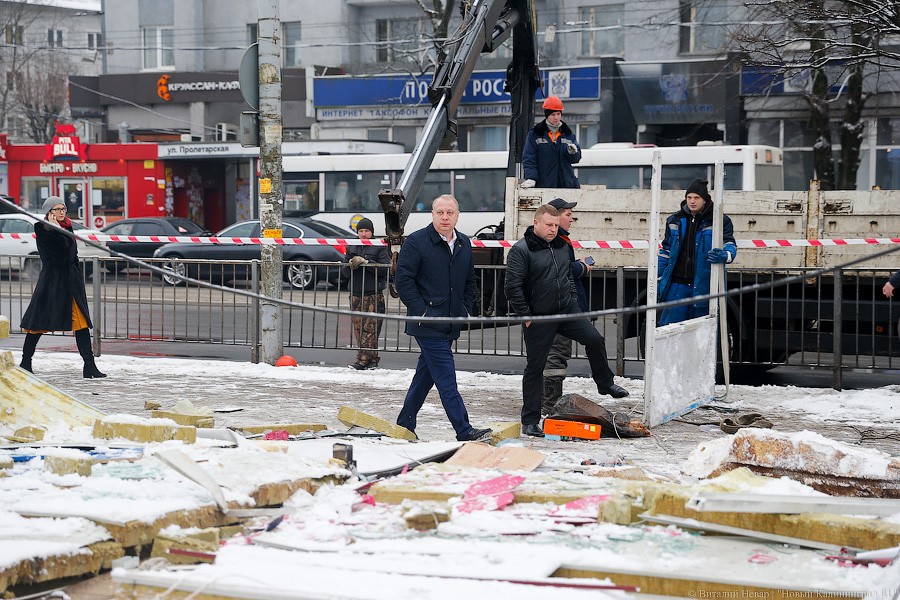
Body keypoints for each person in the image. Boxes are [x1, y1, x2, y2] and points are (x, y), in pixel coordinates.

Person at [505, 204, 628, 438]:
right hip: (539, 318)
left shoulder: (562, 246)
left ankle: (605, 383)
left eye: (555, 225)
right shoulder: (521, 250)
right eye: (549, 225)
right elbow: (512, 286)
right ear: (536, 223)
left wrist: (572, 301)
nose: (553, 229)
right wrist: (526, 315)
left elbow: (568, 277)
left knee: (594, 338)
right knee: (535, 369)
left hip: (566, 311)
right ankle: (530, 421)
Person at [394, 195, 492, 442]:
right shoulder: (417, 242)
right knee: (446, 378)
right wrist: (421, 310)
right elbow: (403, 280)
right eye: (440, 212)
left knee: (425, 376)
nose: (445, 217)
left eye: (450, 212)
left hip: (450, 322)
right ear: (432, 214)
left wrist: (464, 308)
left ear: (457, 215)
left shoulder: (464, 243)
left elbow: (470, 279)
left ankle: (404, 423)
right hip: (426, 323)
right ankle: (464, 430)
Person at [19, 196, 106, 378]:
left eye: (63, 209)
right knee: (38, 322)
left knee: (81, 323)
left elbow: (72, 253)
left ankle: (89, 366)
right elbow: (60, 255)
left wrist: (61, 231)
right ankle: (25, 362)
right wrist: (57, 230)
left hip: (71, 282)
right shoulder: (43, 229)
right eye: (57, 209)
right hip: (53, 282)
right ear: (49, 212)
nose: (61, 212)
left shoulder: (67, 226)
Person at [658, 178, 737, 326]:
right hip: (677, 286)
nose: (692, 201)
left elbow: (729, 244)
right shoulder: (674, 220)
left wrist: (726, 255)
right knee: (671, 331)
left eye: (696, 198)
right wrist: (657, 276)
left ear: (705, 200)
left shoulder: (719, 221)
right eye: (689, 197)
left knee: (702, 333)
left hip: (704, 285)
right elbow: (666, 250)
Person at [541, 198, 592, 414]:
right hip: (558, 308)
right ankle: (549, 404)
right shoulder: (556, 240)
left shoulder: (560, 239)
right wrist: (581, 267)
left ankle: (547, 402)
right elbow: (563, 271)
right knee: (556, 354)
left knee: (554, 354)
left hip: (561, 306)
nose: (571, 218)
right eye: (568, 214)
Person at [345, 217, 391, 370]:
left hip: (373, 294)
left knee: (370, 329)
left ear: (372, 232)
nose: (363, 234)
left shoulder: (379, 246)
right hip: (355, 293)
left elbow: (385, 268)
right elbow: (344, 271)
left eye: (367, 231)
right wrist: (349, 265)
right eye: (361, 231)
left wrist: (366, 262)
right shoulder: (352, 245)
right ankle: (372, 360)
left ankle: (362, 360)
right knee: (359, 330)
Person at [521, 96, 581, 189]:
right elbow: (529, 159)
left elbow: (576, 159)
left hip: (567, 186)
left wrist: (573, 152)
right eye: (553, 114)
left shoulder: (568, 134)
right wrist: (531, 178)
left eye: (558, 114)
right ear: (546, 115)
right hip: (544, 186)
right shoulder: (535, 134)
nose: (556, 118)